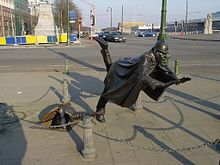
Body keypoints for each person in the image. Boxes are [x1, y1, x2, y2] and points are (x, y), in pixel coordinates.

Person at [94, 37, 191, 123]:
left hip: (131, 73)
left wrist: (175, 78)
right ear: (155, 51)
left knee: (111, 77)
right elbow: (142, 75)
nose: (164, 57)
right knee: (110, 88)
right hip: (123, 69)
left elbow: (166, 70)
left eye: (165, 55)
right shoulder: (146, 58)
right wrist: (160, 84)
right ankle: (100, 110)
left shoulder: (157, 57)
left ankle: (105, 49)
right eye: (162, 54)